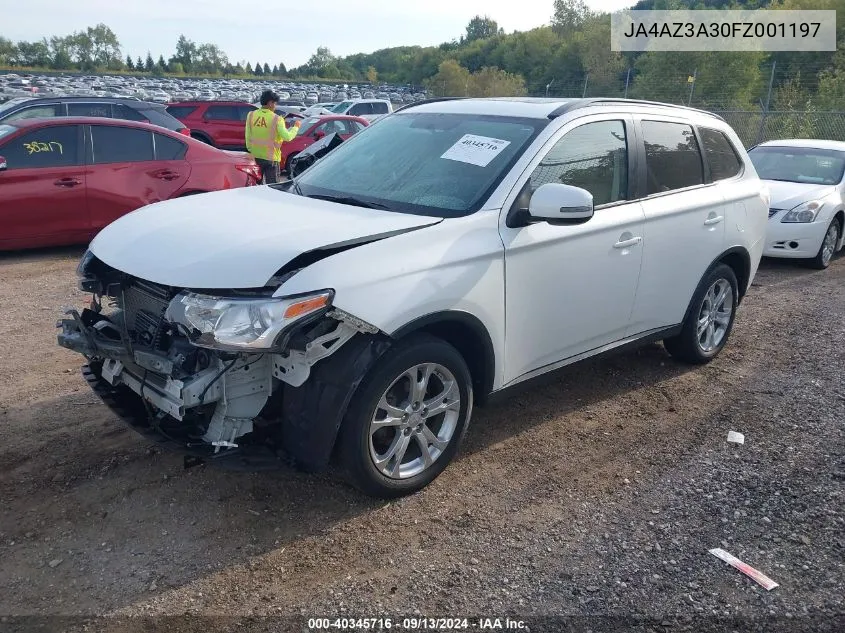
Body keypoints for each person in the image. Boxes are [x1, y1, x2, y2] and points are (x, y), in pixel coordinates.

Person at [245, 90, 301, 184]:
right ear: (270, 103)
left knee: (255, 186)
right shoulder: (277, 119)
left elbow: (247, 135)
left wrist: (251, 150)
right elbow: (287, 137)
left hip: (255, 157)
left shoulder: (251, 115)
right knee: (272, 187)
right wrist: (296, 127)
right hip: (271, 159)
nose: (275, 106)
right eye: (275, 103)